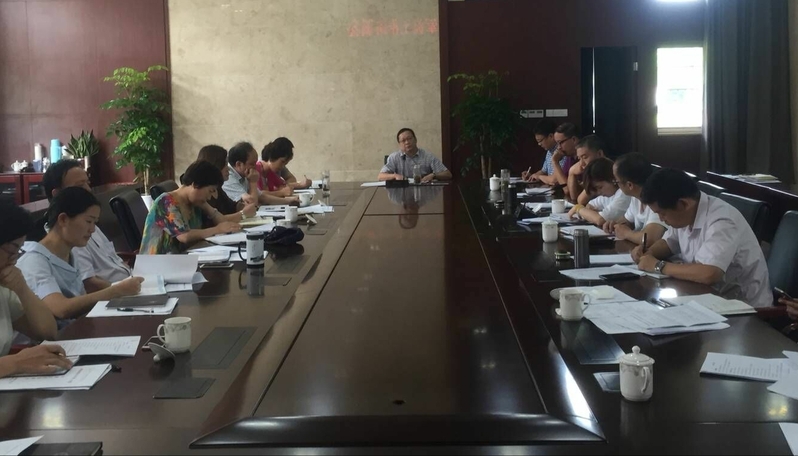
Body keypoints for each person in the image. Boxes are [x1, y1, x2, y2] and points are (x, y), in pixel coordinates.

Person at [635, 168, 771, 308]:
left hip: (744, 309)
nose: (661, 219)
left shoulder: (722, 220)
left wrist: (658, 266)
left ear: (683, 204)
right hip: (706, 297)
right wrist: (648, 253)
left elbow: (709, 273)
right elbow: (668, 243)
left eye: (662, 213)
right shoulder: (685, 214)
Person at [17, 187, 144, 321]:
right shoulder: (34, 260)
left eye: (94, 223)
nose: (92, 229)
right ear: (63, 219)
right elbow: (60, 309)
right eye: (88, 221)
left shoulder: (70, 253)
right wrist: (115, 291)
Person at [0, 201, 71, 378]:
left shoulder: (3, 288)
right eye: (11, 251)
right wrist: (15, 363)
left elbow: (47, 332)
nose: (14, 260)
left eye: (19, 252)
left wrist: (22, 288)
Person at [41, 159, 132, 293]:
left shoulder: (88, 219)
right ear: (58, 194)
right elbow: (88, 284)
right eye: (80, 186)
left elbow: (113, 259)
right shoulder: (68, 234)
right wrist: (123, 290)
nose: (88, 190)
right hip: (114, 294)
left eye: (87, 183)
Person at [140, 161, 242, 254]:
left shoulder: (195, 202)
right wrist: (217, 229)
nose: (210, 197)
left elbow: (221, 221)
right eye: (210, 191)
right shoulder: (166, 201)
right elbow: (184, 236)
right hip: (158, 263)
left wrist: (206, 207)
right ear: (195, 184)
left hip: (183, 259)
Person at [604, 152, 668, 245]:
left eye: (616, 181)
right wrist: (615, 225)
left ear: (630, 185)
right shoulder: (635, 197)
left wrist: (627, 233)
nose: (616, 185)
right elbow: (627, 221)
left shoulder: (657, 199)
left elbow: (649, 239)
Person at [194, 145, 257, 224]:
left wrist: (243, 205)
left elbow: (232, 207)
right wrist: (243, 214)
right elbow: (214, 221)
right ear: (216, 166)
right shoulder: (202, 192)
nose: (228, 169)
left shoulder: (218, 188)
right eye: (225, 165)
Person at [221, 142, 299, 206]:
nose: (255, 167)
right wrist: (253, 182)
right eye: (252, 164)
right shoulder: (229, 178)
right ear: (239, 164)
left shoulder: (244, 174)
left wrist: (289, 201)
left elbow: (262, 197)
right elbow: (252, 205)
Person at [567, 158, 631, 227]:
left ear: (612, 179)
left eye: (600, 187)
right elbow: (590, 205)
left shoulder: (623, 194)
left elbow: (600, 220)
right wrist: (591, 214)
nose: (598, 192)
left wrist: (578, 209)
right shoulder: (608, 194)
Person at [378, 128, 452, 181]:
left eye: (409, 138)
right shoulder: (394, 157)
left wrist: (433, 175)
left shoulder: (428, 156)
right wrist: (395, 176)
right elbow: (380, 176)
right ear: (399, 144)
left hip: (424, 192)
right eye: (403, 141)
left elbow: (448, 174)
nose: (407, 142)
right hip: (402, 193)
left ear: (415, 139)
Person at [522, 119, 563, 185]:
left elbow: (555, 180)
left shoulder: (562, 151)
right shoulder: (549, 151)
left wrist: (539, 177)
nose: (539, 144)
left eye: (540, 141)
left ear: (551, 136)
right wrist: (532, 176)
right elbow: (544, 171)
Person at [569, 135, 606, 203]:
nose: (581, 163)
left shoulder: (605, 170)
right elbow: (574, 197)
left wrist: (571, 171)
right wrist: (571, 173)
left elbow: (581, 200)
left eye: (584, 157)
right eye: (579, 159)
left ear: (599, 154)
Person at [549, 123, 580, 188]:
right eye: (557, 144)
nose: (559, 147)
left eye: (560, 142)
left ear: (574, 139)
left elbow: (567, 189)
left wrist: (555, 162)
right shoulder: (569, 157)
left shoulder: (584, 158)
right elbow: (560, 181)